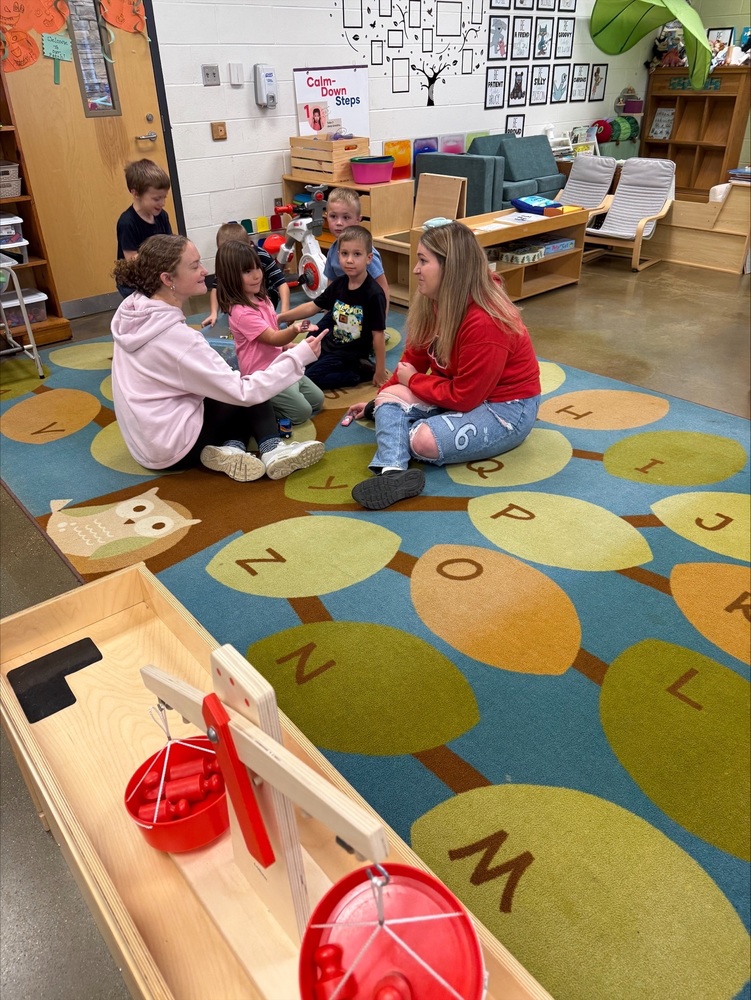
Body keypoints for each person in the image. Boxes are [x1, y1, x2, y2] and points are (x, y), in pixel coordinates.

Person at [345, 220, 541, 510]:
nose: (416, 270)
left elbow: (464, 397)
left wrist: (412, 383)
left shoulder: (487, 320)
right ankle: (392, 471)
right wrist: (379, 400)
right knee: (389, 397)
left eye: (423, 261)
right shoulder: (432, 300)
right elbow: (410, 362)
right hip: (461, 391)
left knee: (423, 440)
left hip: (506, 407)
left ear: (450, 268)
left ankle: (405, 434)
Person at [111, 234, 326, 482]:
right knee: (248, 385)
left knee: (227, 384)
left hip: (144, 443)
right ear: (167, 279)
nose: (204, 271)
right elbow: (245, 393)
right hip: (177, 448)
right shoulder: (178, 339)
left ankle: (232, 448)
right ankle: (273, 451)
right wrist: (299, 356)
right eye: (194, 266)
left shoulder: (133, 311)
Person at [215, 239, 325, 425]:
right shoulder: (241, 312)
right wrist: (294, 329)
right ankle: (257, 408)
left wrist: (291, 346)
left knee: (318, 400)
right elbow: (273, 338)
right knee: (302, 413)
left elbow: (275, 336)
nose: (257, 275)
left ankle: (281, 397)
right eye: (247, 271)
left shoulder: (263, 298)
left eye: (257, 268)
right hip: (263, 376)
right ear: (230, 276)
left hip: (280, 364)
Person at [278, 225, 388, 390]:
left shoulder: (374, 294)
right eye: (344, 254)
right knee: (301, 362)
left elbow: (378, 335)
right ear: (338, 256)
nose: (349, 260)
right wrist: (281, 317)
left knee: (309, 378)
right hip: (332, 341)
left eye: (357, 254)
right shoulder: (339, 284)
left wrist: (379, 370)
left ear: (369, 258)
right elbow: (313, 306)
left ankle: (360, 372)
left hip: (350, 354)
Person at [201, 222, 290, 327]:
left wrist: (285, 314)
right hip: (238, 300)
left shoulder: (260, 255)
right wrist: (213, 313)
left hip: (263, 299)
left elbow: (282, 284)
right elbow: (216, 288)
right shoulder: (225, 262)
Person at [323, 188, 390, 312]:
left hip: (366, 308)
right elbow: (330, 285)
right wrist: (328, 313)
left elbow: (383, 289)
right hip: (343, 309)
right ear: (326, 217)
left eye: (346, 217)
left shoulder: (367, 253)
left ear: (358, 220)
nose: (338, 223)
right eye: (333, 216)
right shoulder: (333, 250)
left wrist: (381, 323)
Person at [116, 159, 172, 298]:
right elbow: (131, 260)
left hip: (154, 276)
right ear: (135, 193)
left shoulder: (162, 216)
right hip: (133, 283)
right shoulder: (127, 222)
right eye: (156, 199)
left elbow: (171, 245)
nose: (162, 203)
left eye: (164, 197)